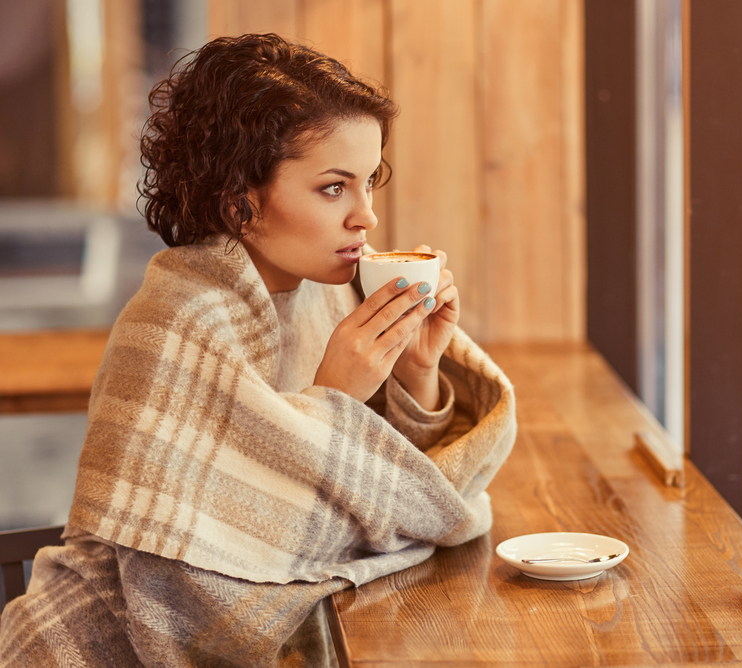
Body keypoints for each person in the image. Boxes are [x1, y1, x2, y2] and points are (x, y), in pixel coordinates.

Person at [0, 33, 516, 667]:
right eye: (334, 189)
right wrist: (334, 398)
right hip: (95, 644)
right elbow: (187, 588)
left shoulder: (328, 298)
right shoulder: (173, 326)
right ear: (239, 201)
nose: (367, 219)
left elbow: (385, 483)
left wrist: (419, 369)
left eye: (368, 184)